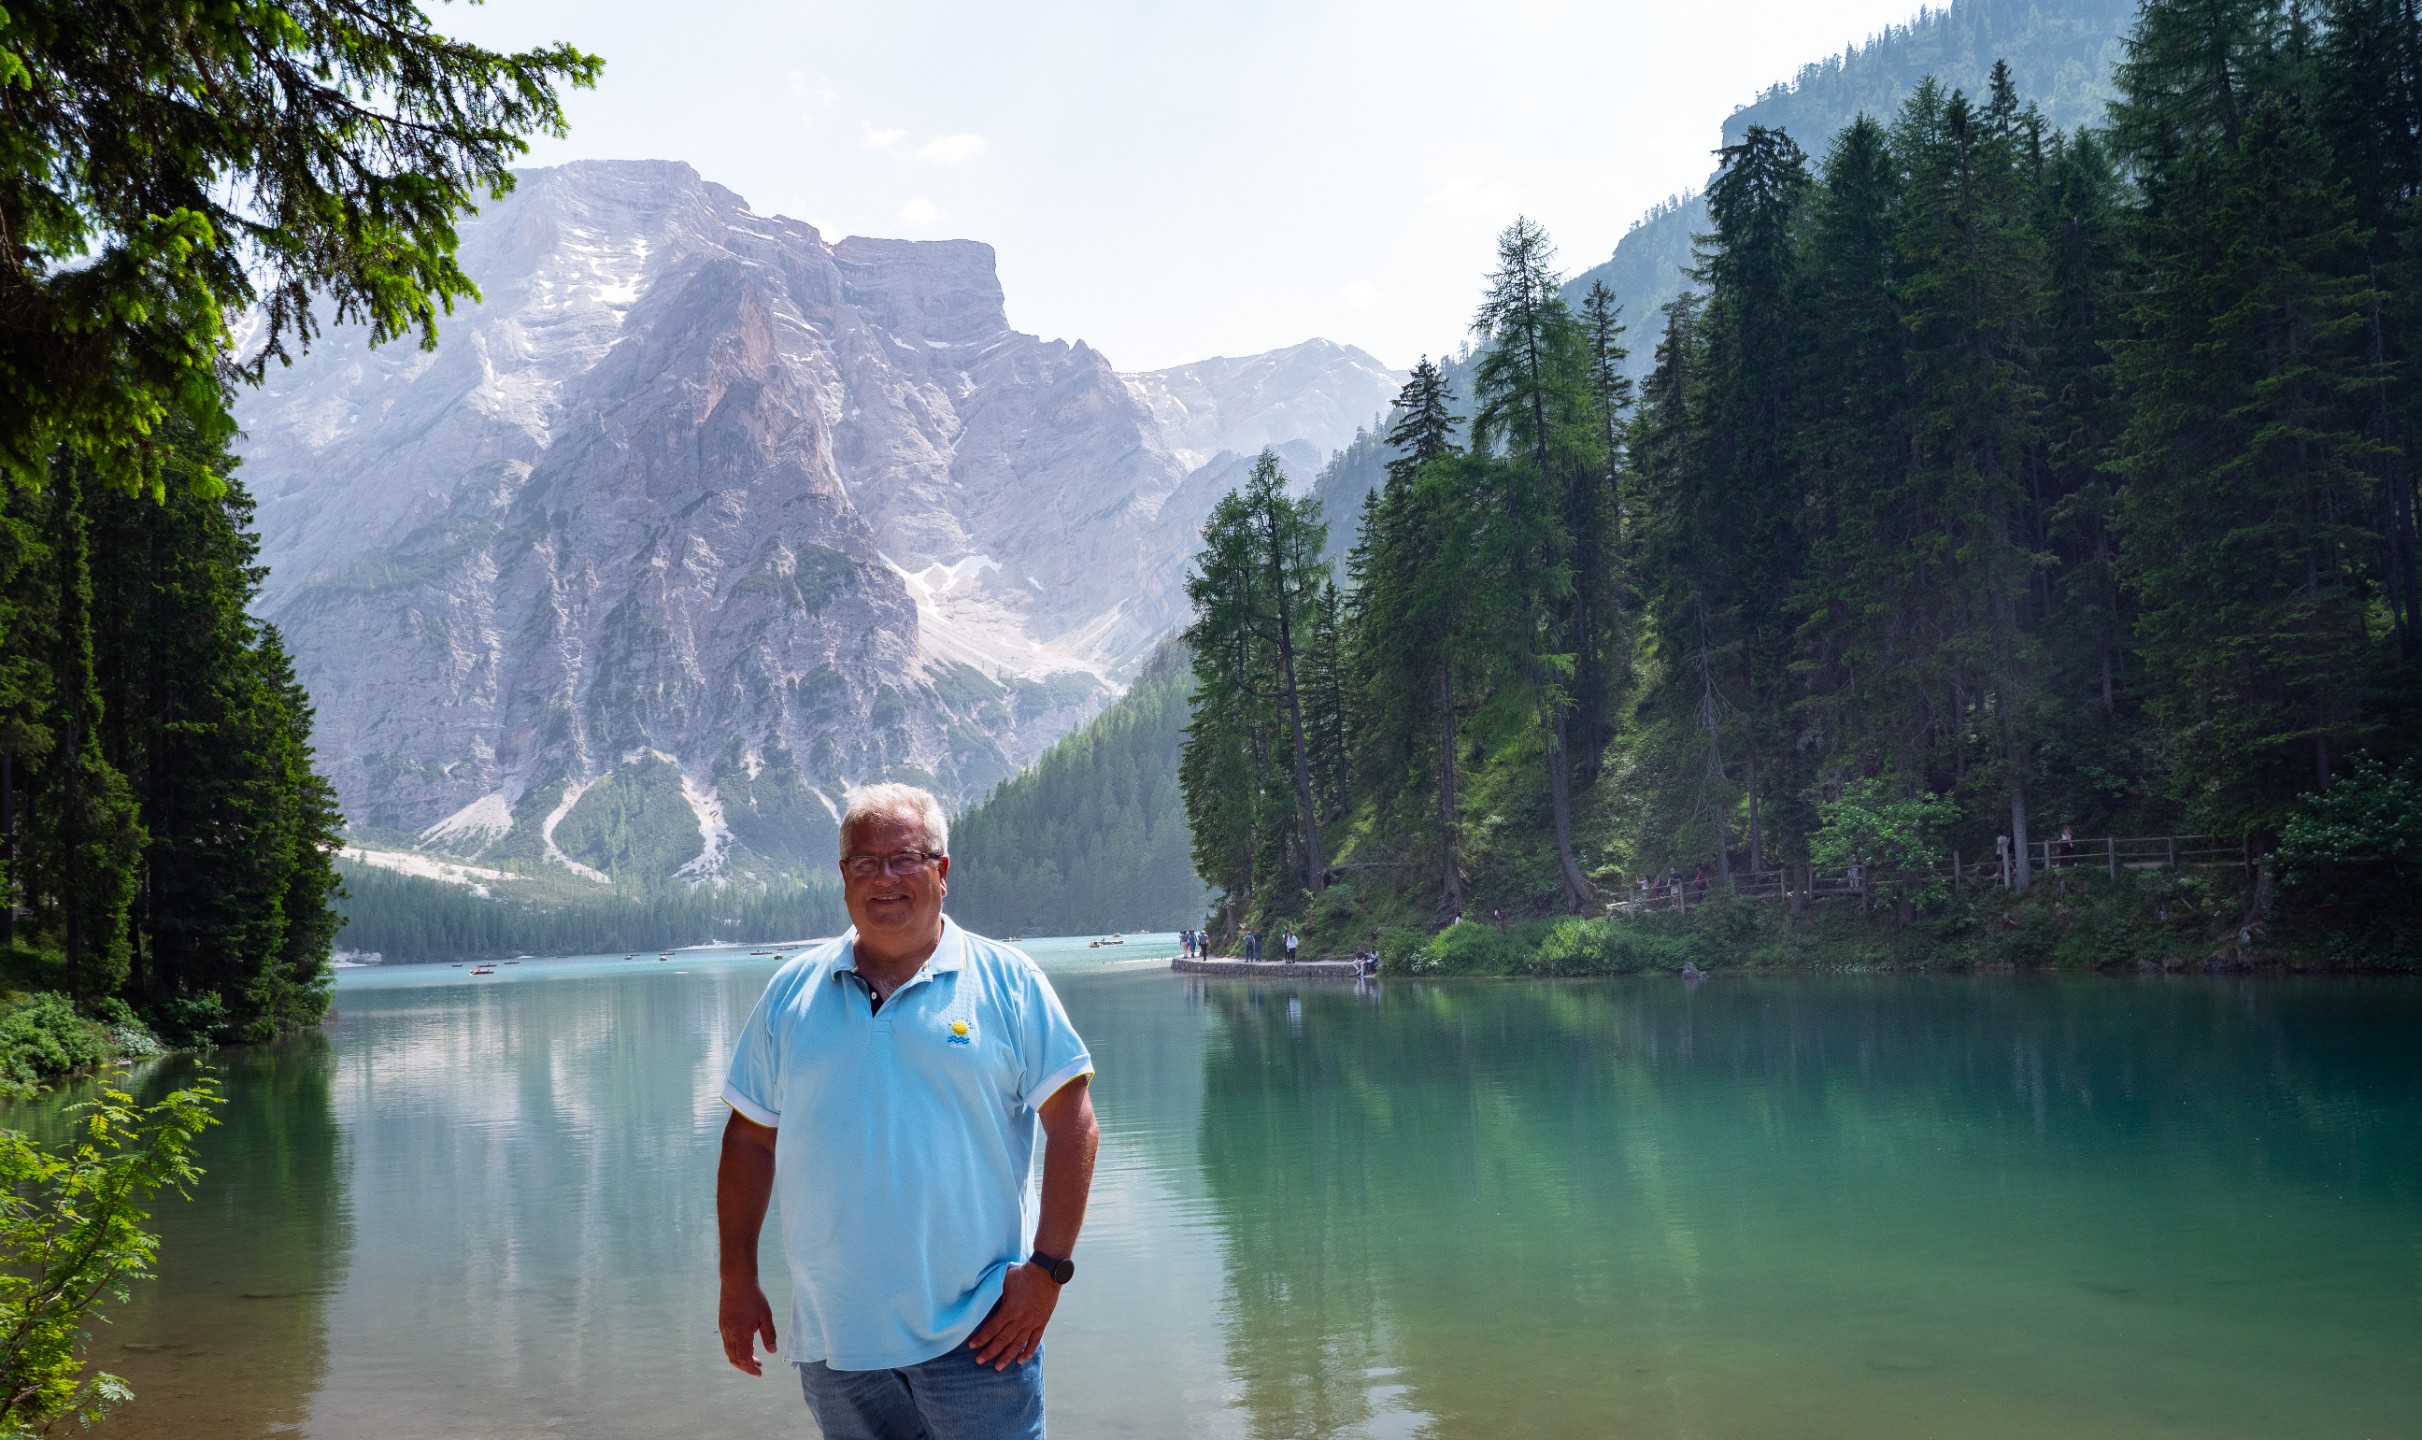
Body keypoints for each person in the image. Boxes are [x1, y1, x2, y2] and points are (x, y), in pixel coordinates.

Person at [716, 782, 1099, 1440]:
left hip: (982, 1334)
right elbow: (749, 1142)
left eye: (905, 859)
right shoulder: (790, 994)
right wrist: (737, 1277)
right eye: (866, 862)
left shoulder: (1008, 981)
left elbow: (1074, 1125)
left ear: (941, 871)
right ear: (844, 876)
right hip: (837, 1340)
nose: (885, 878)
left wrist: (1048, 1272)